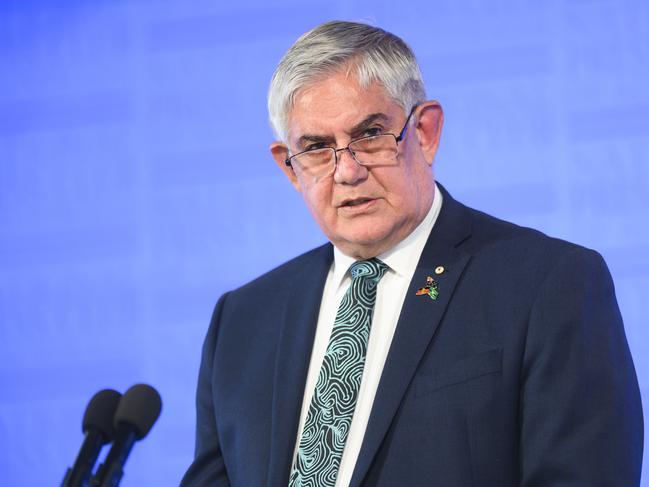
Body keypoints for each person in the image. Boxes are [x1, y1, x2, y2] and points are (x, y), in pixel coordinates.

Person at [180, 21, 643, 487]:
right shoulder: (241, 322)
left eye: (370, 135)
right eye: (317, 149)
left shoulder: (549, 283)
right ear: (290, 168)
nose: (347, 171)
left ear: (424, 131)